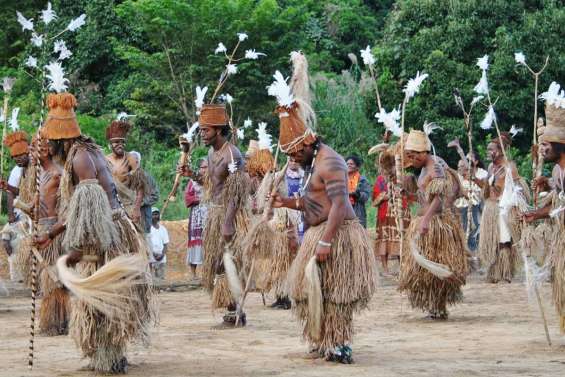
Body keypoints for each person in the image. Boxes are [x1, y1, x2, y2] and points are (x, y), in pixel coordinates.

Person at [34, 92, 154, 374]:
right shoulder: (88, 150)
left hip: (103, 235)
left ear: (60, 139)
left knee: (102, 299)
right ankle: (108, 355)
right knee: (102, 297)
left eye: (50, 142)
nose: (48, 147)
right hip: (111, 228)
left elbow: (90, 208)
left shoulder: (79, 159)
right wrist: (53, 234)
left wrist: (67, 245)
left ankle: (110, 358)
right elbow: (81, 205)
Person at [269, 51, 376, 363]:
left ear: (306, 143)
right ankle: (320, 338)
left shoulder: (331, 162)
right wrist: (287, 202)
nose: (292, 160)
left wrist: (327, 241)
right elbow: (312, 200)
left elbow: (341, 206)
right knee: (305, 292)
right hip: (316, 232)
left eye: (293, 154)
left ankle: (340, 342)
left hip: (337, 234)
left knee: (336, 295)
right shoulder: (309, 161)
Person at [178, 103, 251, 327]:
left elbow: (238, 192)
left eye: (206, 130)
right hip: (215, 211)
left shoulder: (233, 155)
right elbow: (211, 183)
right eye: (201, 130)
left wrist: (228, 222)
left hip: (229, 215)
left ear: (218, 130)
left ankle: (236, 311)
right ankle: (231, 310)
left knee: (228, 261)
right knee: (217, 264)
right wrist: (192, 175)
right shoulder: (211, 153)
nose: (202, 134)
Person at [398, 130, 468, 320]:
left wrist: (427, 220)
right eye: (409, 156)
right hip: (425, 221)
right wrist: (408, 195)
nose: (411, 160)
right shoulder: (424, 168)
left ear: (423, 153)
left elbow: (439, 196)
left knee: (437, 263)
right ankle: (434, 305)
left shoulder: (435, 166)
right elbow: (424, 198)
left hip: (436, 224)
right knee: (425, 270)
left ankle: (439, 305)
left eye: (413, 156)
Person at [524, 92, 565, 333]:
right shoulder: (558, 172)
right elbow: (558, 204)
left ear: (560, 145)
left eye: (546, 146)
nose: (543, 150)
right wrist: (536, 214)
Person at [477, 133, 530, 283]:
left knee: (503, 240)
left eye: (490, 149)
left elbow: (518, 190)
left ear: (499, 151)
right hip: (490, 207)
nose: (488, 152)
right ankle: (494, 272)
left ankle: (505, 272)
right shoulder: (490, 167)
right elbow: (486, 189)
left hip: (502, 208)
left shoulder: (510, 167)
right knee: (492, 241)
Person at [35, 133, 71, 336]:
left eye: (37, 148)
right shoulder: (40, 174)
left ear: (47, 150)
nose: (33, 153)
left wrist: (53, 231)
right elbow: (35, 204)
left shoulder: (58, 173)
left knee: (54, 277)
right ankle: (52, 320)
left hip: (53, 231)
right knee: (45, 279)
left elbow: (65, 206)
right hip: (41, 228)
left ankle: (59, 321)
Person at [370, 139, 412, 276]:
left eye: (395, 163)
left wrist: (400, 193)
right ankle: (385, 268)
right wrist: (385, 196)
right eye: (391, 164)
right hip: (385, 215)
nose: (393, 167)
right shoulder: (381, 179)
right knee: (384, 239)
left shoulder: (404, 178)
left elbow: (410, 194)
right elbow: (375, 197)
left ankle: (403, 266)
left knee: (402, 238)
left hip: (401, 213)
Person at [0, 130, 32, 283]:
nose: (18, 160)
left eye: (20, 156)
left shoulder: (36, 168)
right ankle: (17, 277)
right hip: (21, 211)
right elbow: (15, 192)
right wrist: (11, 215)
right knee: (6, 240)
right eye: (15, 157)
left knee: (24, 242)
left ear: (28, 152)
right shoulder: (16, 170)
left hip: (34, 212)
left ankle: (26, 277)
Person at [105, 120, 145, 228]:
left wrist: (136, 208)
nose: (120, 145)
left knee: (135, 240)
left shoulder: (130, 159)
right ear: (110, 144)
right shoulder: (104, 160)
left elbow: (141, 186)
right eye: (117, 142)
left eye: (123, 142)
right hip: (109, 206)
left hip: (127, 205)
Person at [184, 158, 209, 281]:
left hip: (210, 214)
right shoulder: (192, 182)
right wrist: (200, 199)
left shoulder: (213, 180)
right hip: (196, 216)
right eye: (203, 167)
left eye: (207, 167)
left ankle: (207, 273)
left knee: (209, 242)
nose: (206, 169)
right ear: (199, 169)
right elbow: (187, 198)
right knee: (195, 241)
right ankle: (193, 274)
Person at [346, 155, 371, 228]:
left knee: (357, 233)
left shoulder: (362, 180)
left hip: (357, 211)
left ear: (357, 167)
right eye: (347, 164)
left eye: (351, 164)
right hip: (344, 210)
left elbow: (366, 196)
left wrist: (358, 194)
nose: (349, 165)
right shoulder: (341, 179)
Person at [149, 208, 169, 281]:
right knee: (152, 280)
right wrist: (153, 253)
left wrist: (162, 255)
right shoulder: (148, 229)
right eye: (153, 214)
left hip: (161, 259)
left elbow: (166, 244)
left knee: (161, 280)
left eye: (157, 214)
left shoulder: (163, 229)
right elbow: (146, 244)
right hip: (151, 258)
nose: (155, 216)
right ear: (150, 216)